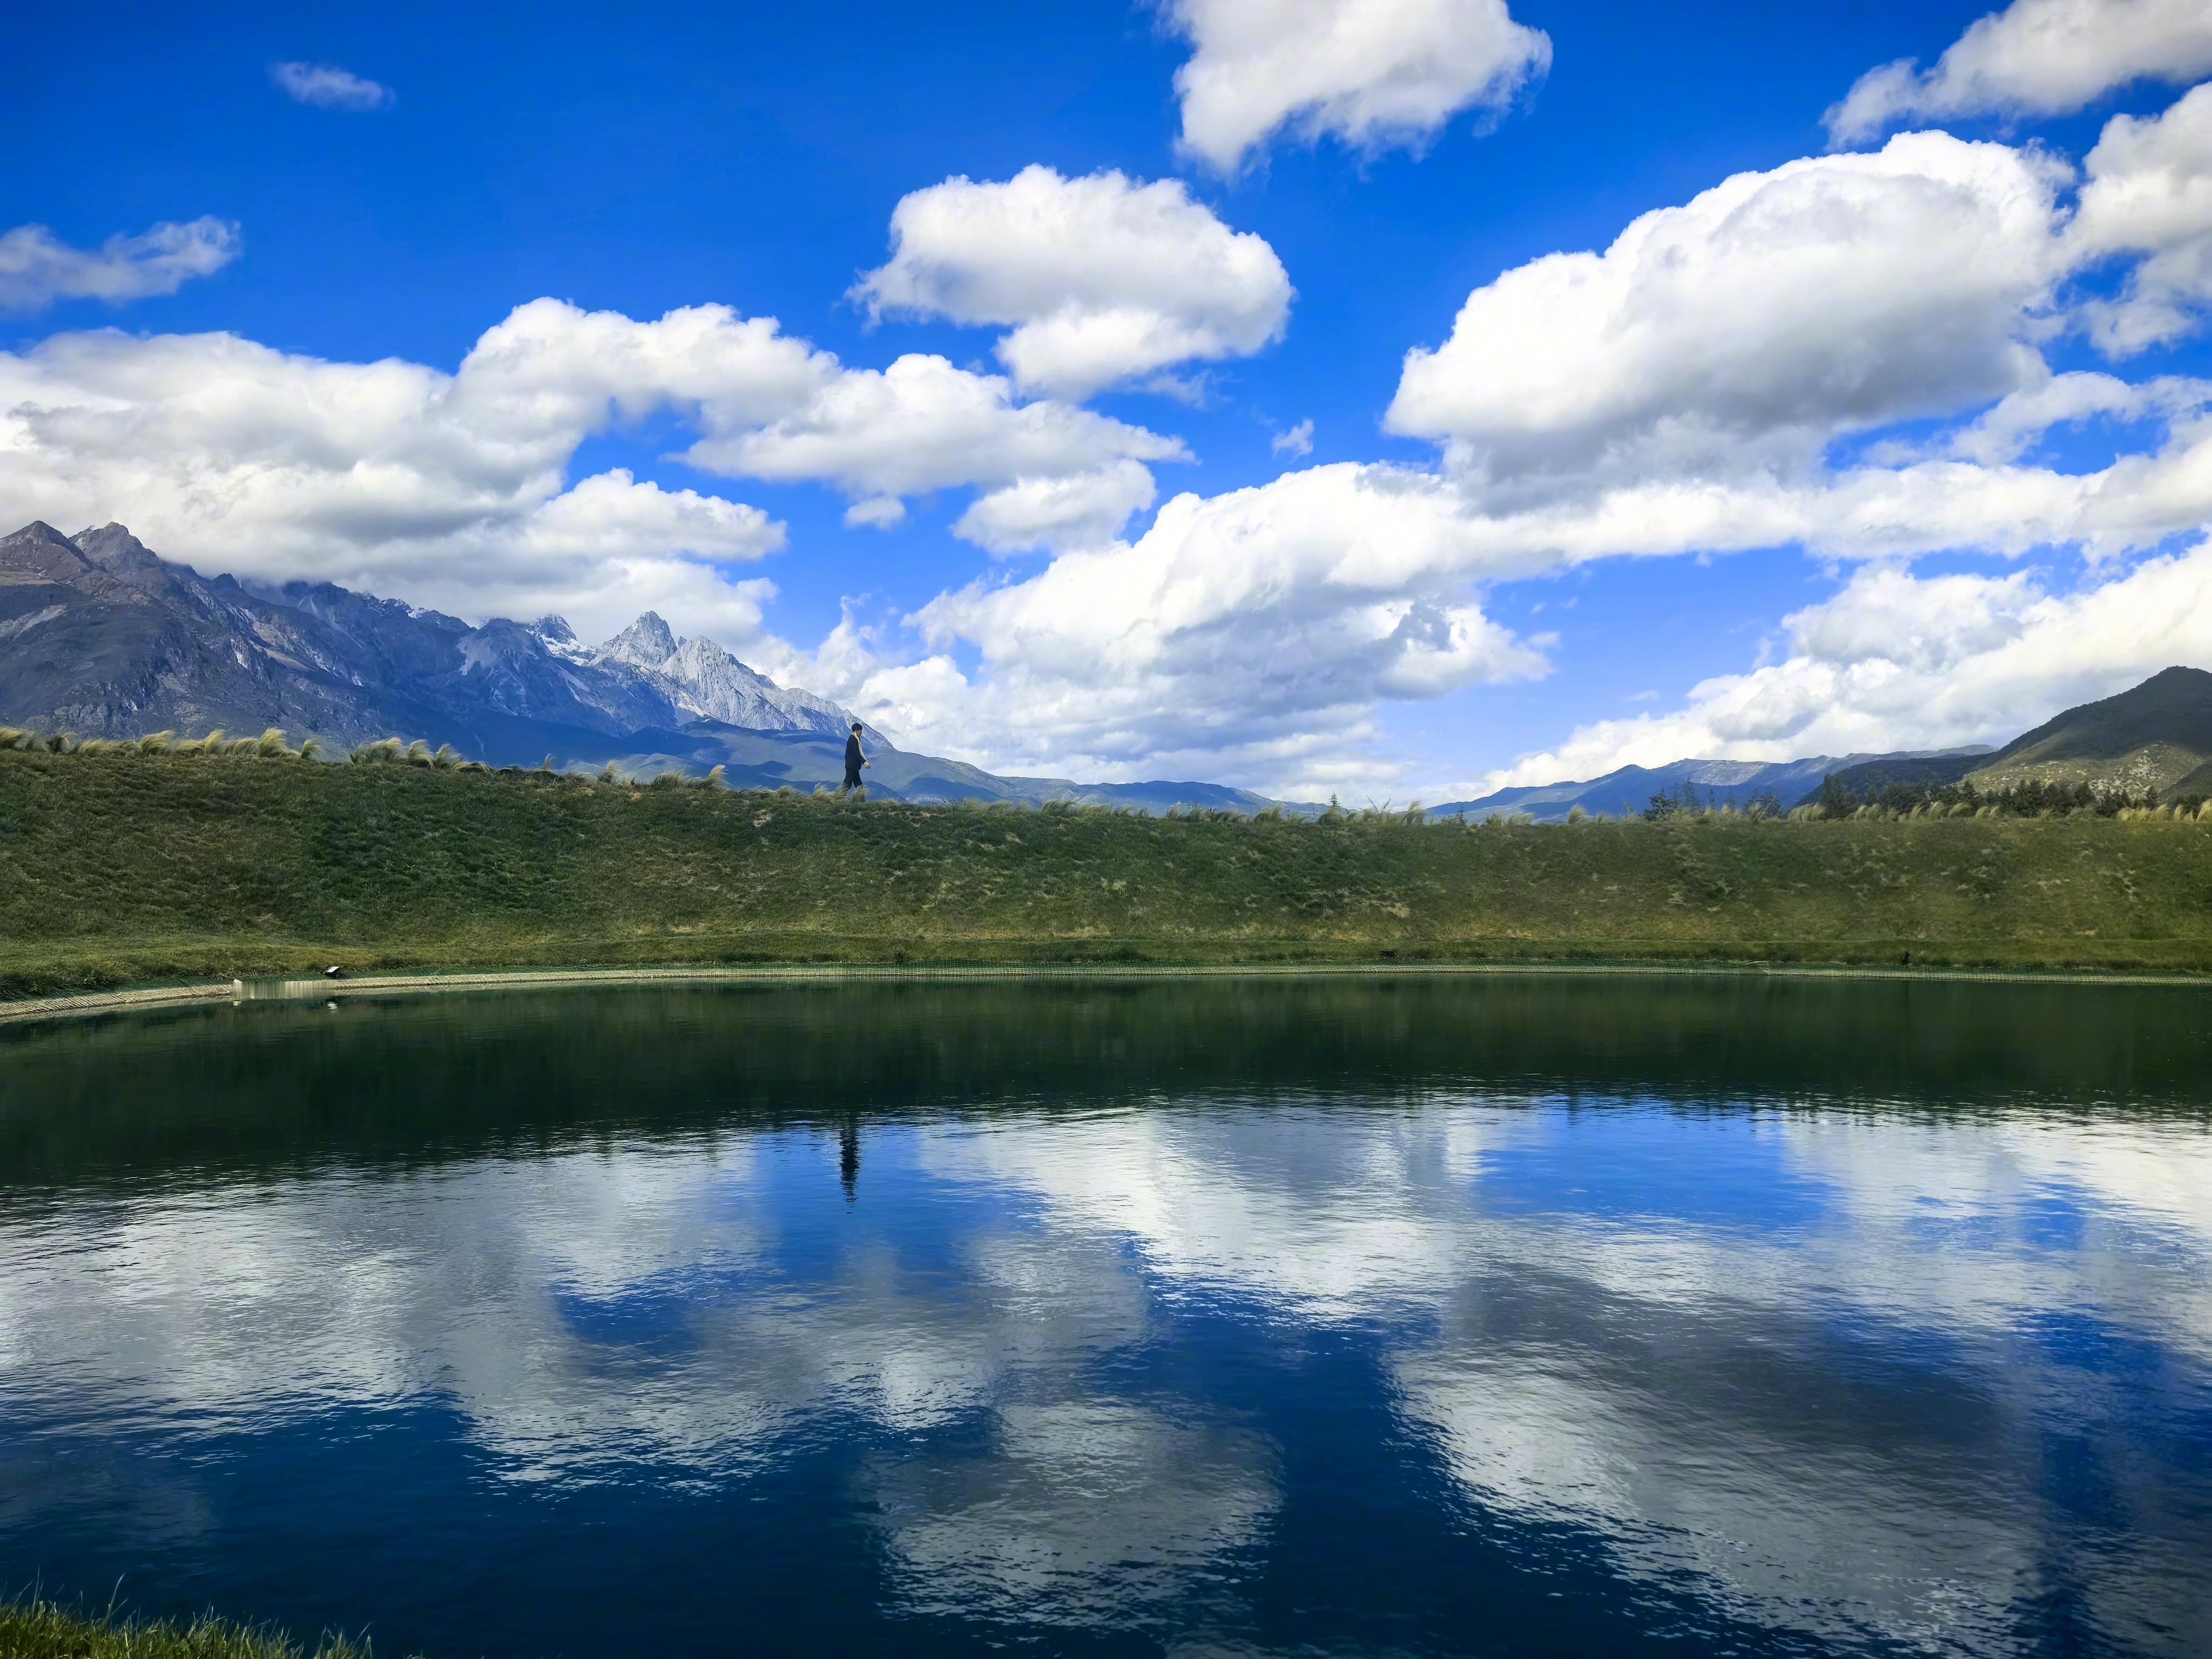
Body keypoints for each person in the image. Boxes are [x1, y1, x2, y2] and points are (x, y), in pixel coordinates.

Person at [840, 721, 869, 796]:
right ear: (857, 730)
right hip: (852, 766)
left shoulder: (855, 739)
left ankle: (861, 800)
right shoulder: (853, 740)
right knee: (847, 784)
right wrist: (865, 763)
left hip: (854, 767)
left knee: (859, 785)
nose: (861, 733)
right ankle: (838, 798)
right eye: (861, 731)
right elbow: (857, 753)